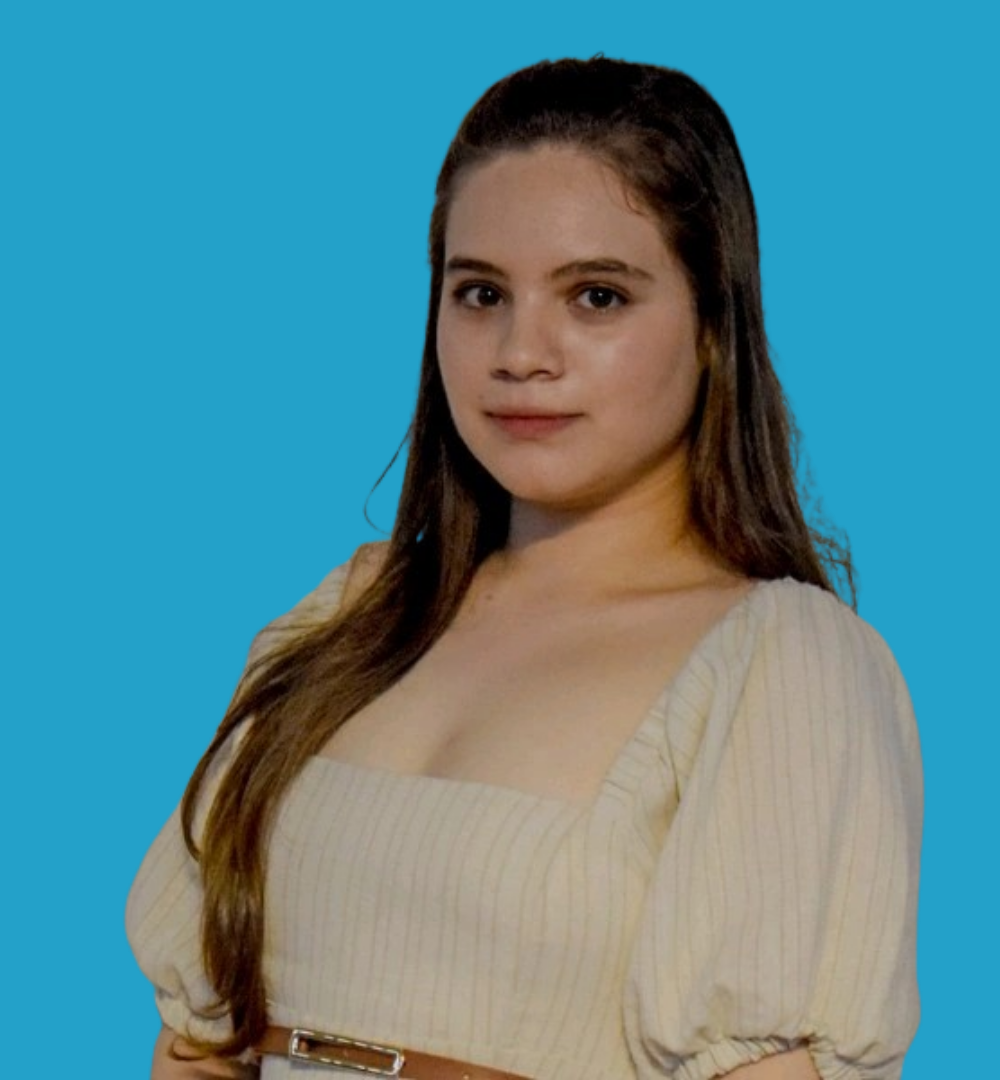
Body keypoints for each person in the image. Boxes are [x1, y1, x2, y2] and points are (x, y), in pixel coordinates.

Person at [127, 57, 922, 1080]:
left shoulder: (782, 664)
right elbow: (199, 1043)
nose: (520, 351)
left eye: (596, 296)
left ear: (712, 327)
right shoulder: (351, 616)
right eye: (480, 293)